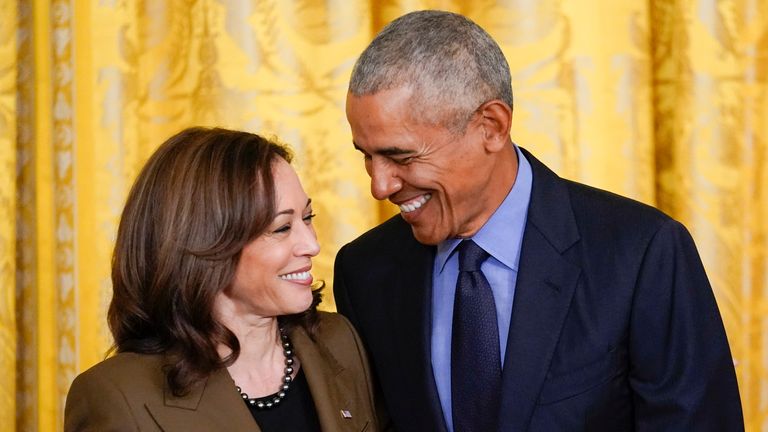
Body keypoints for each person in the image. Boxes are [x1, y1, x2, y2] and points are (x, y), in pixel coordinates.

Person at [333, 10, 743, 432]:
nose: (379, 186)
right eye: (367, 155)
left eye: (400, 156)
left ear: (491, 126)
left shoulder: (640, 253)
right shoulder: (365, 271)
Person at [65, 127, 387, 431]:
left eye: (307, 218)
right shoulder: (116, 396)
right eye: (282, 228)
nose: (312, 245)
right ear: (206, 246)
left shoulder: (340, 341)